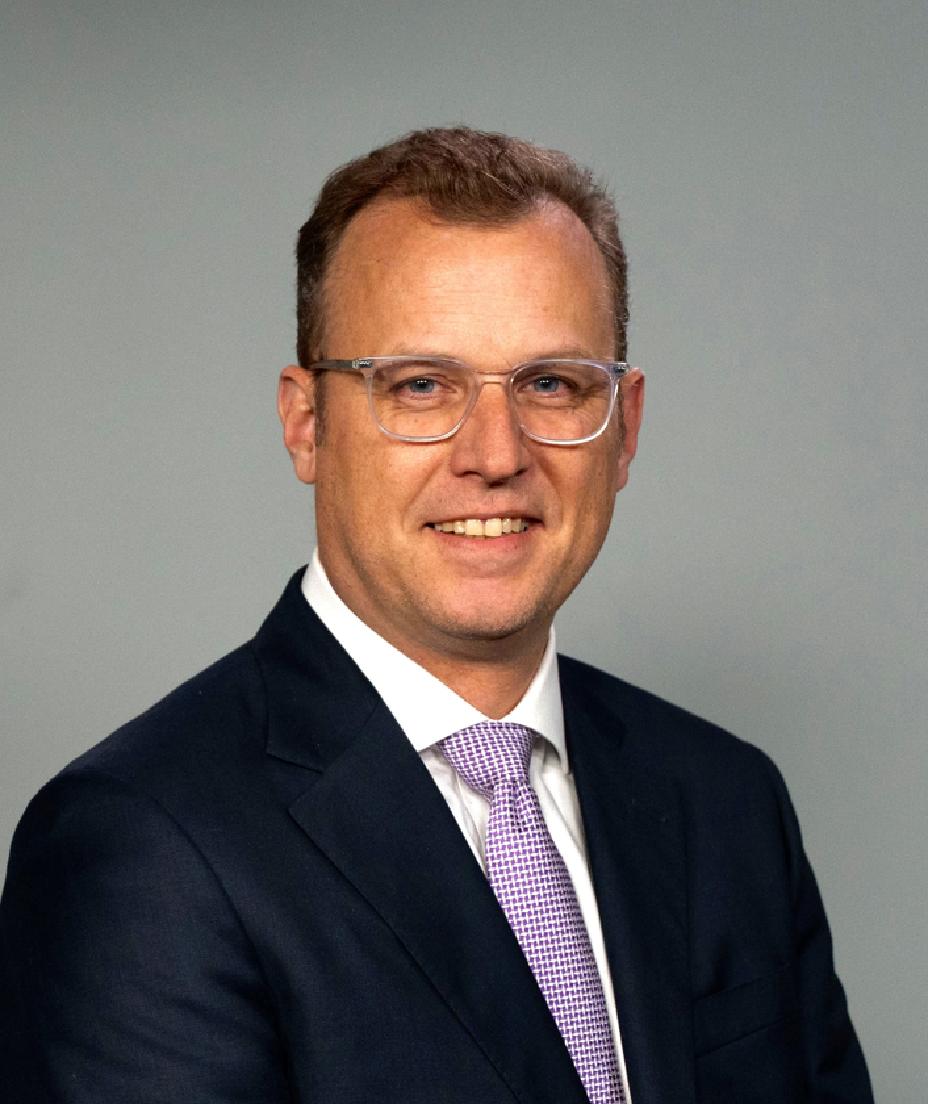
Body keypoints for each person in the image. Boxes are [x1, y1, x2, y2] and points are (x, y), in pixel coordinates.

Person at [0, 126, 872, 1103]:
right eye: (419, 386)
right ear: (306, 425)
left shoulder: (728, 803)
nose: (494, 453)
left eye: (551, 383)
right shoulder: (142, 844)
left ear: (622, 432)